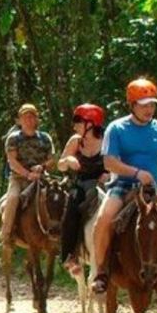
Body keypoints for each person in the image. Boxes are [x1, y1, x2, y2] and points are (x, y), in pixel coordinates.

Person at [91, 78, 157, 295]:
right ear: (132, 105)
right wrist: (137, 173)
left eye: (152, 104)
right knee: (103, 219)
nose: (150, 109)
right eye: (144, 104)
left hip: (156, 189)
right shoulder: (117, 128)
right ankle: (102, 271)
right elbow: (109, 162)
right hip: (122, 186)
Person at [57, 103, 108, 275]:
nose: (74, 125)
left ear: (91, 123)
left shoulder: (108, 139)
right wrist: (68, 161)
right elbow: (60, 166)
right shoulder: (75, 141)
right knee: (70, 210)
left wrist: (109, 173)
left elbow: (118, 160)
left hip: (105, 185)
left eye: (78, 121)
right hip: (82, 185)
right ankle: (70, 255)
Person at [0, 103, 55, 245]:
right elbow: (12, 161)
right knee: (12, 199)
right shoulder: (13, 139)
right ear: (19, 120)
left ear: (37, 119)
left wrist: (41, 167)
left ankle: (60, 235)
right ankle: (7, 234)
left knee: (58, 198)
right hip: (19, 178)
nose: (29, 120)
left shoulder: (45, 138)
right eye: (25, 117)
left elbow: (51, 160)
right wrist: (27, 174)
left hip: (42, 177)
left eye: (32, 117)